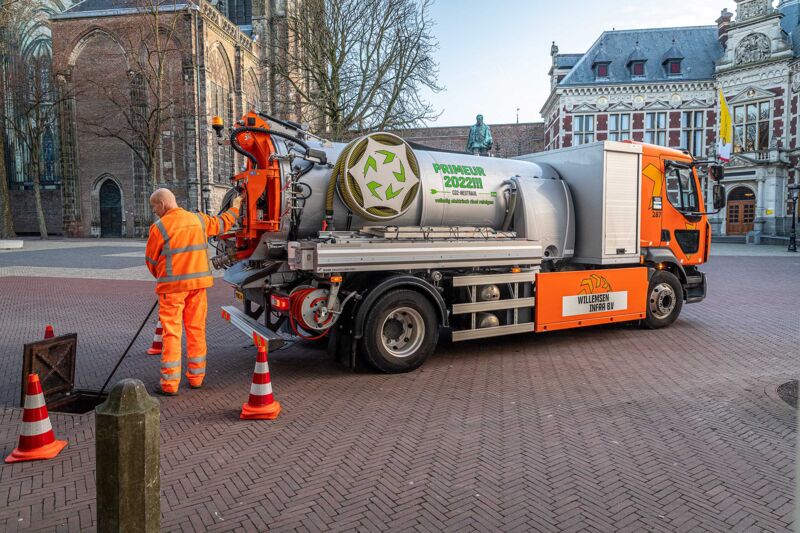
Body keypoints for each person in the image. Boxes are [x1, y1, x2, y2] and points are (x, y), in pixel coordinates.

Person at [145, 188, 241, 396]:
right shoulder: (198, 220)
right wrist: (236, 207)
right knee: (196, 329)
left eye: (154, 206)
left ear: (162, 204)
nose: (154, 211)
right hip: (197, 287)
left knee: (172, 332)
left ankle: (170, 384)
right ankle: (196, 378)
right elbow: (223, 223)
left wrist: (163, 276)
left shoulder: (159, 227)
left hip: (172, 289)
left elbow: (151, 261)